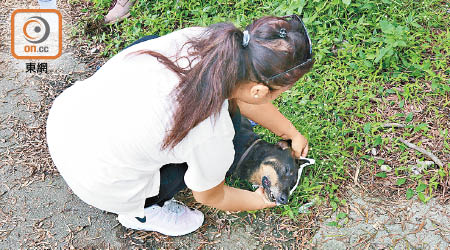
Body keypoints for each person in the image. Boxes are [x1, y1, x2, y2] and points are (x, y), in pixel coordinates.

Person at [46, 15, 314, 236]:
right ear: (258, 91)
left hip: (67, 120)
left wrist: (288, 131)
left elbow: (239, 88)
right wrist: (259, 200)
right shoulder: (209, 132)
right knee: (210, 143)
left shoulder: (202, 39)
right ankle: (142, 213)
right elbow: (211, 196)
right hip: (100, 182)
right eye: (281, 91)